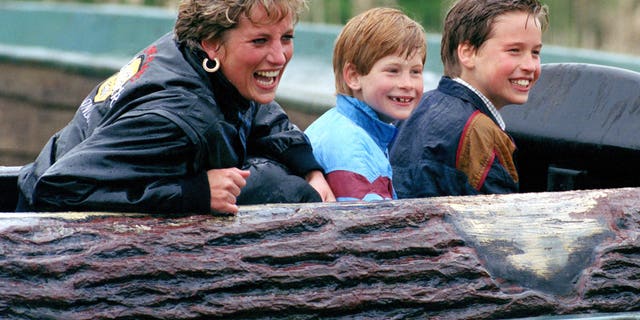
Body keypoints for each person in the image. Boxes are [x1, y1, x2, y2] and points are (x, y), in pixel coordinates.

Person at [16, 0, 335, 214]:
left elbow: (256, 108)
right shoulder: (179, 119)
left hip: (63, 172)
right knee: (285, 192)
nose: (279, 57)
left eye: (287, 37)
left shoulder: (193, 53)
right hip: (48, 244)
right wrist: (194, 193)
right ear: (213, 43)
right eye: (260, 41)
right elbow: (57, 188)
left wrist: (310, 167)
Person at [390, 0, 549, 198]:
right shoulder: (482, 134)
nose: (530, 65)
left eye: (535, 52)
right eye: (514, 50)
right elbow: (501, 224)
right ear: (468, 53)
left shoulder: (415, 107)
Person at [305, 7, 426, 201]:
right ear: (354, 76)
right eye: (393, 70)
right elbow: (368, 227)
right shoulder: (354, 150)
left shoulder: (344, 125)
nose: (407, 84)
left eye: (415, 71)